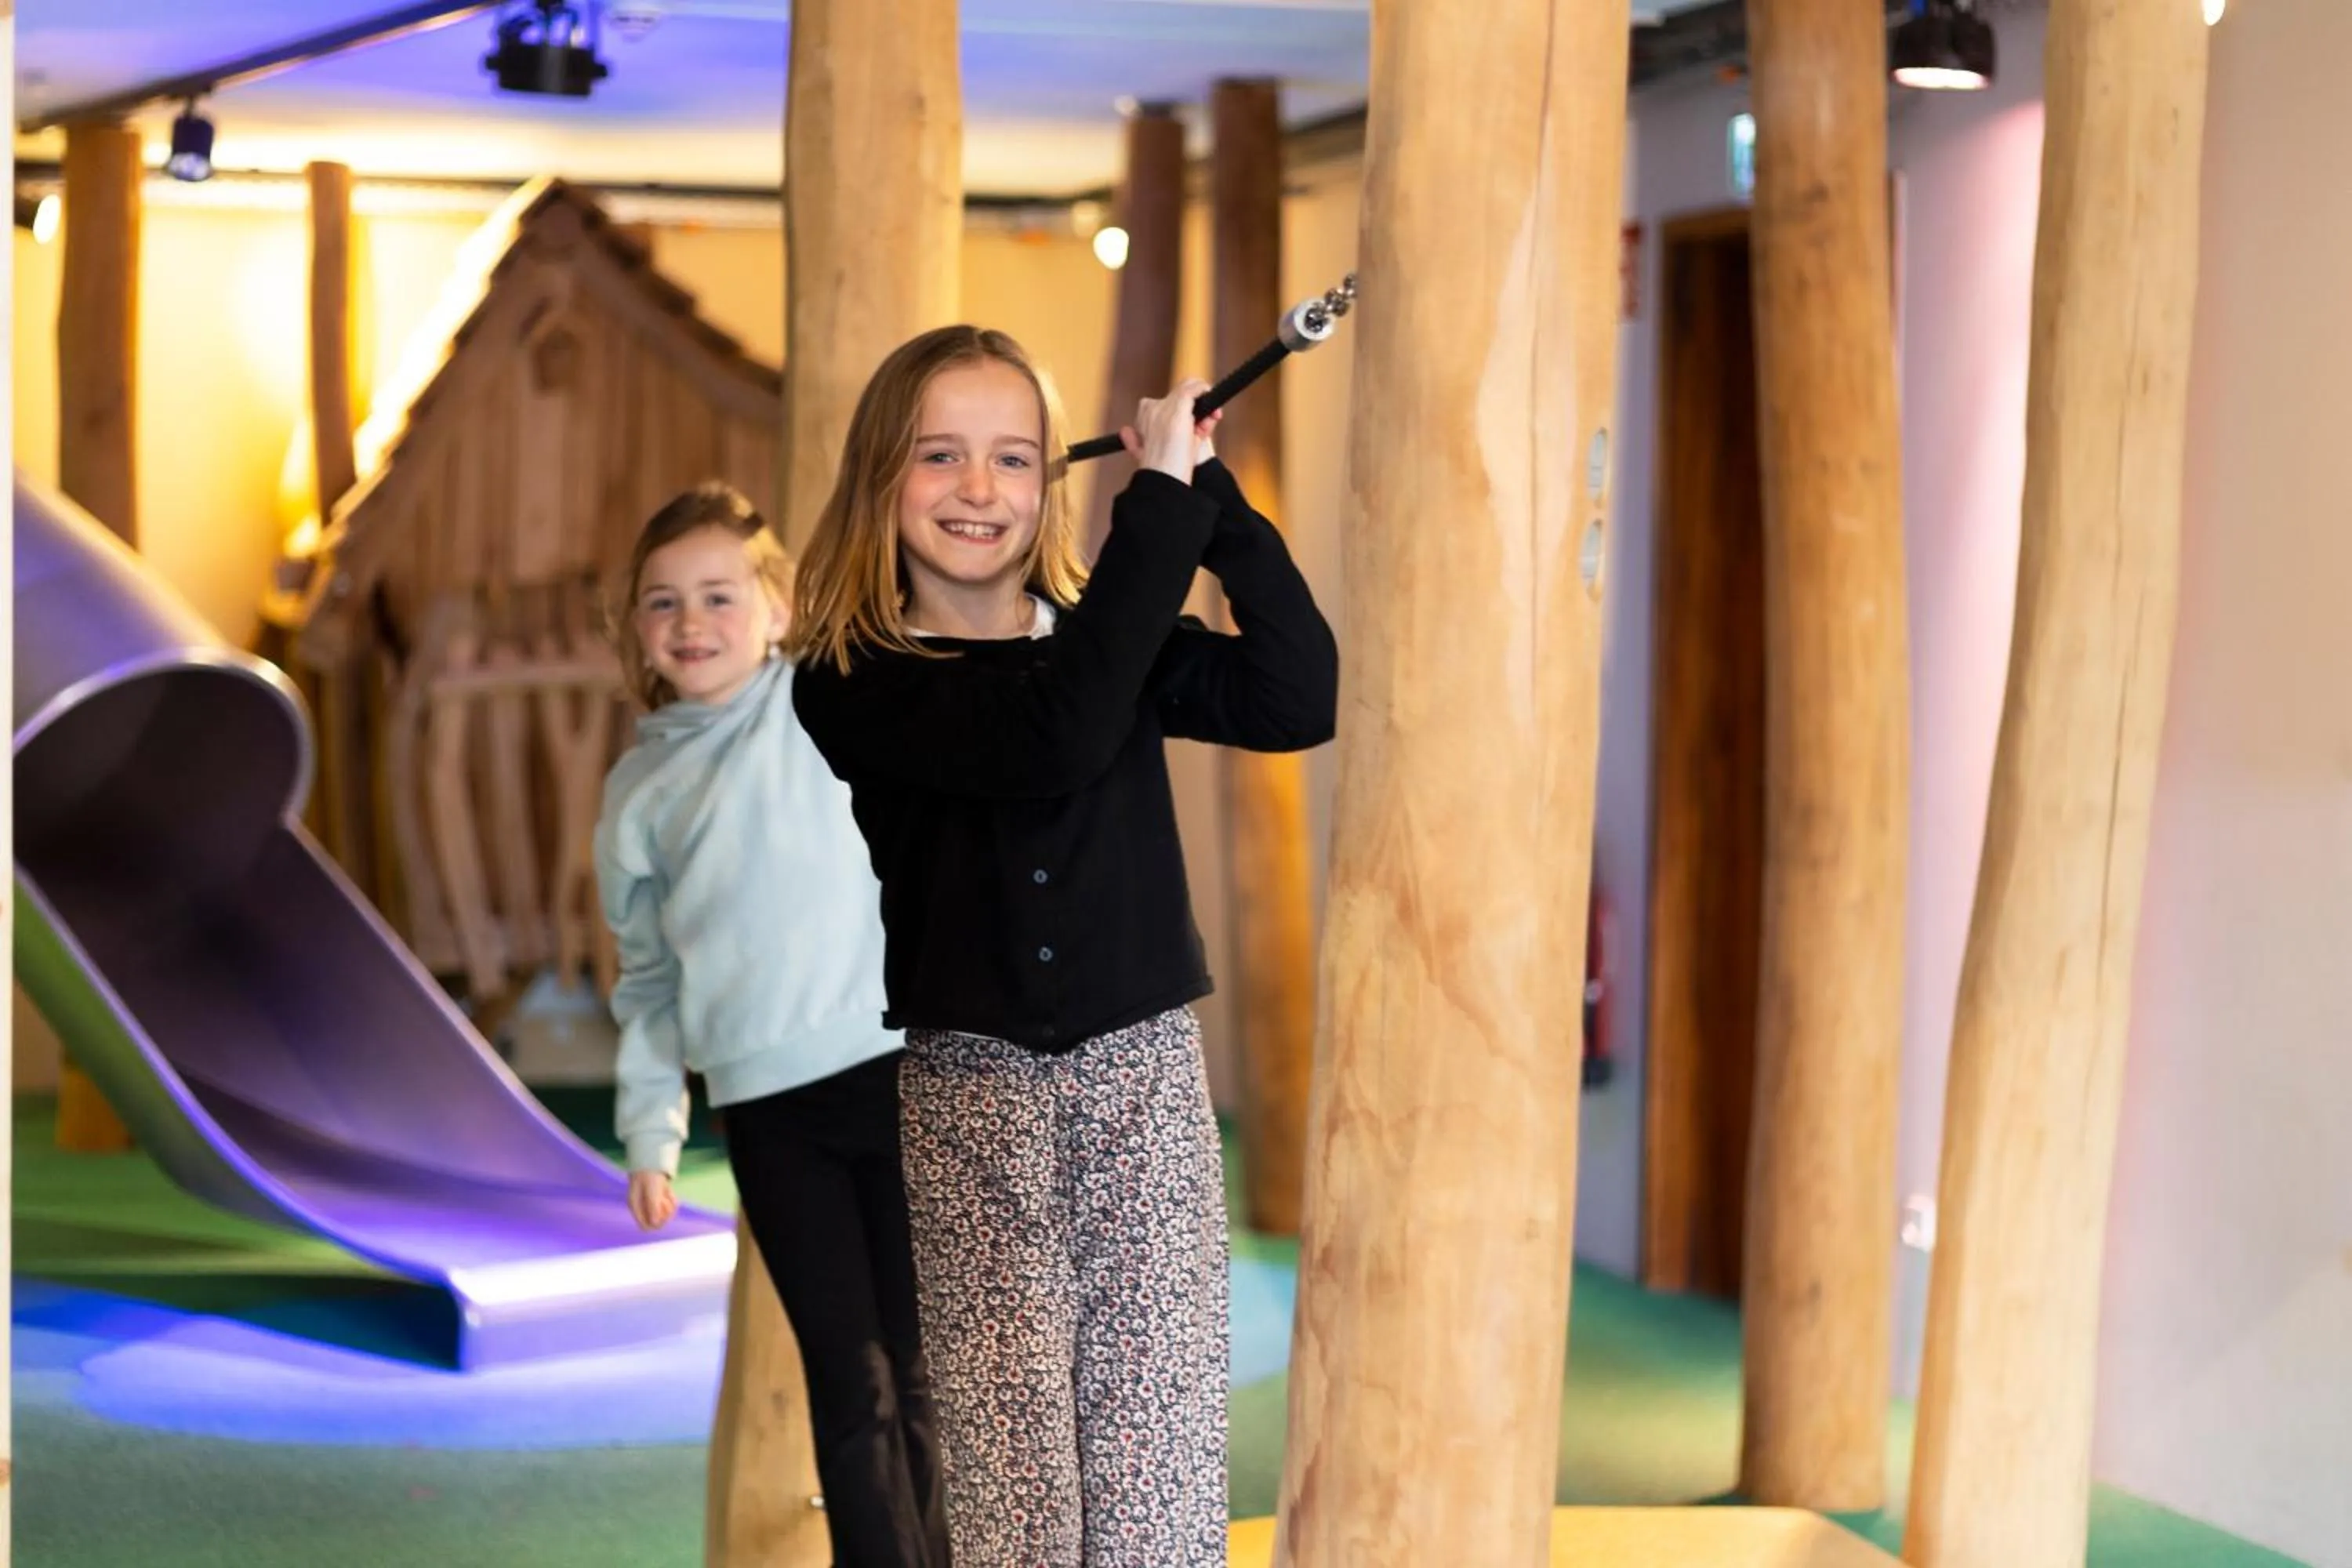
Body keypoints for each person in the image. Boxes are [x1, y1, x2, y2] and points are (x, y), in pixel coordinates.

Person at [788, 325, 1339, 1567]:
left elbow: (1299, 694)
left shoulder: (1108, 643)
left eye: (1012, 458)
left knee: (1157, 1478)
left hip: (1141, 1091)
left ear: (1050, 480)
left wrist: (1209, 497)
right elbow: (1050, 735)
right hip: (970, 1104)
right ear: (881, 475)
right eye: (939, 455)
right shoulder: (851, 678)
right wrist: (1154, 513)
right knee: (1019, 1495)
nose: (979, 489)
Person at [592, 481, 948, 1567]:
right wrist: (650, 1133)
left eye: (718, 595)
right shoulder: (638, 792)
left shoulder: (829, 701)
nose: (691, 622)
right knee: (850, 1382)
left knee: (924, 1372)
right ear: (636, 630)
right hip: (769, 1115)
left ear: (779, 608)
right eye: (663, 602)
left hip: (896, 1076)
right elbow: (648, 981)